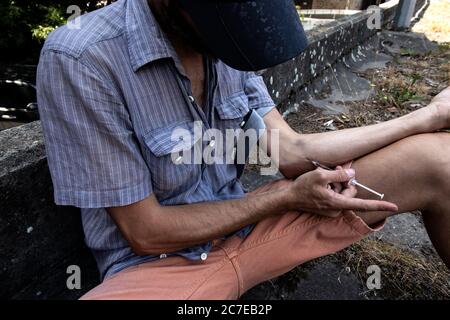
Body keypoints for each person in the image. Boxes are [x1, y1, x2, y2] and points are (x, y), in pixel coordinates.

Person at [36, 0, 450, 300]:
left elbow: (291, 150)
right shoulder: (82, 58)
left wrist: (425, 117)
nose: (230, 56)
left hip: (252, 229)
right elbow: (146, 232)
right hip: (158, 267)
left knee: (440, 160)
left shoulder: (228, 38)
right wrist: (282, 197)